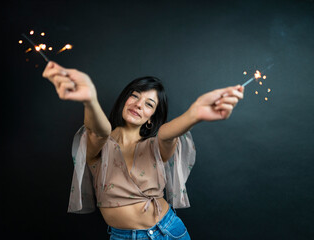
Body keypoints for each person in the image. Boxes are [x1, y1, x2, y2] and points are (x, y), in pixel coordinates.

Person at [42, 61, 244, 239]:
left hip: (168, 231)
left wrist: (194, 114)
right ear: (125, 99)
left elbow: (166, 134)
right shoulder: (100, 144)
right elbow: (99, 131)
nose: (139, 105)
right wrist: (90, 100)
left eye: (149, 104)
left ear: (151, 118)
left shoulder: (155, 145)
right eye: (135, 96)